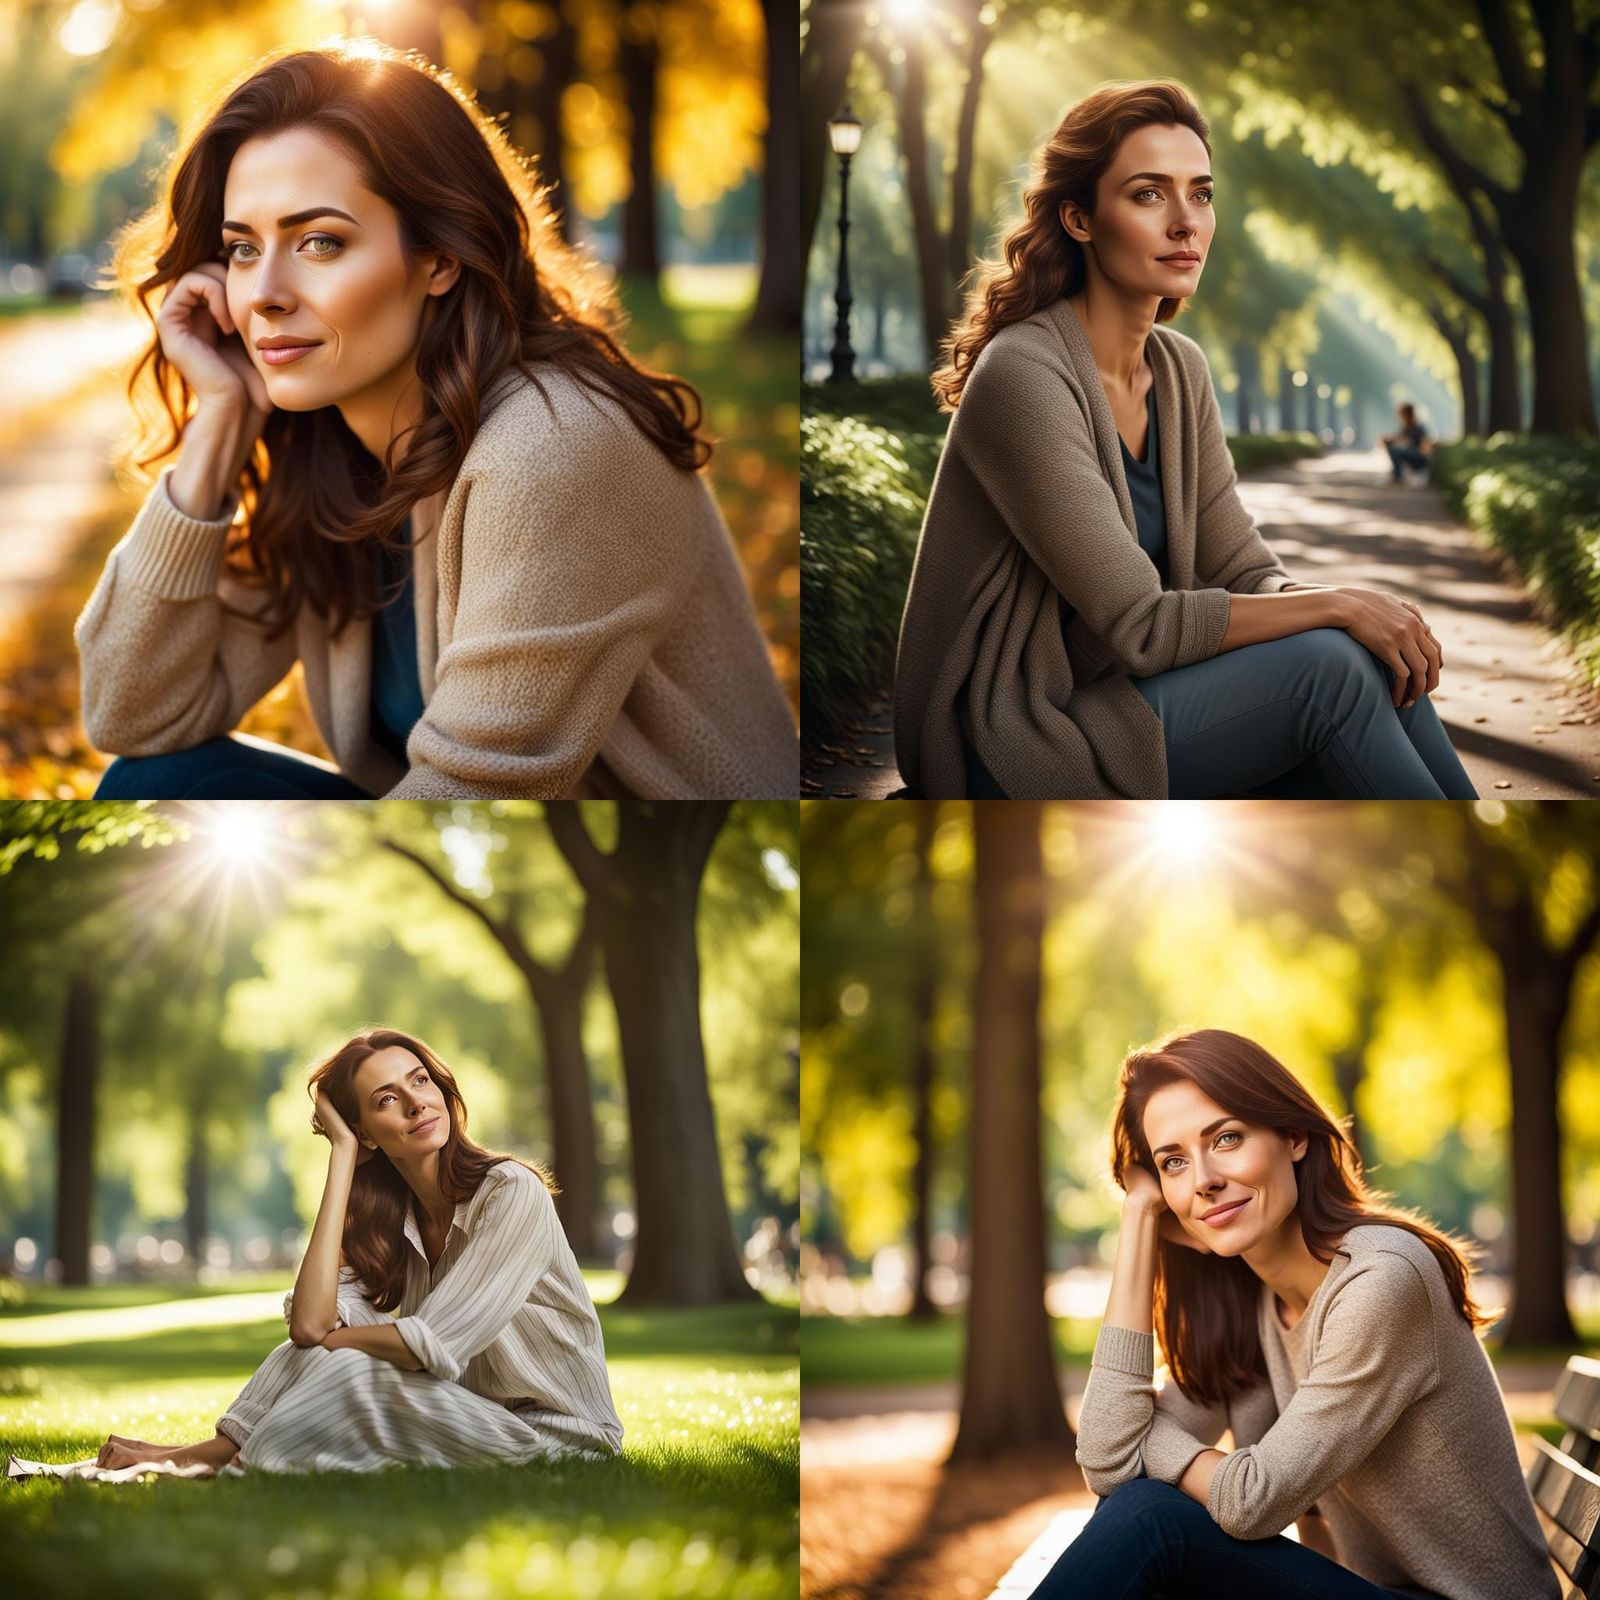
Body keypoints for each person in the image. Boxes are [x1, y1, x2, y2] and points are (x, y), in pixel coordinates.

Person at [76, 41, 798, 801]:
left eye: (321, 241)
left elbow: (476, 797)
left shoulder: (556, 447)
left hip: (616, 860)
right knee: (160, 780)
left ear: (439, 257)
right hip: (460, 836)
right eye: (244, 249)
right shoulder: (332, 453)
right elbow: (134, 717)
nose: (263, 294)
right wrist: (219, 426)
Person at [892, 80, 1476, 801]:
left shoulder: (1179, 369)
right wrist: (1339, 605)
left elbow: (1240, 564)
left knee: (1365, 660)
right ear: (1080, 218)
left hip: (1130, 694)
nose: (1185, 223)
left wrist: (1337, 606)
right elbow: (1140, 624)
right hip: (1020, 733)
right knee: (1331, 664)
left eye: (1200, 194)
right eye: (1148, 195)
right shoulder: (1023, 375)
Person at [1032, 1028, 1557, 1600]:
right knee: (1141, 1514)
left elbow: (1248, 1501)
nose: (1204, 1179)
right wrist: (1137, 1220)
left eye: (1227, 1138)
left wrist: (1144, 1440)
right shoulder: (1253, 1301)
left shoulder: (1381, 1280)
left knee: (1152, 1521)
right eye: (1173, 1162)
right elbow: (1108, 1462)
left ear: (1295, 1137)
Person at [94, 1028, 622, 1475]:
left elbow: (431, 1345)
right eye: (386, 1099)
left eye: (420, 1080)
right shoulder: (395, 1216)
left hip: (565, 1441)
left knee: (347, 1366)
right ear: (366, 1133)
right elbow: (308, 1326)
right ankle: (200, 1458)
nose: (417, 1101)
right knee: (319, 1351)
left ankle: (192, 1465)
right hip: (473, 1414)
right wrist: (342, 1156)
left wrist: (337, 1340)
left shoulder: (510, 1192)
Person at [1381, 404, 1434, 485]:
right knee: (1392, 447)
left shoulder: (1418, 427)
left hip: (1420, 456)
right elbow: (1399, 438)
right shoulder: (1406, 427)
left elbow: (1425, 445)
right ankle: (1396, 473)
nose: (1401, 417)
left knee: (1395, 451)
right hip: (1412, 453)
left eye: (1403, 414)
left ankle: (1398, 476)